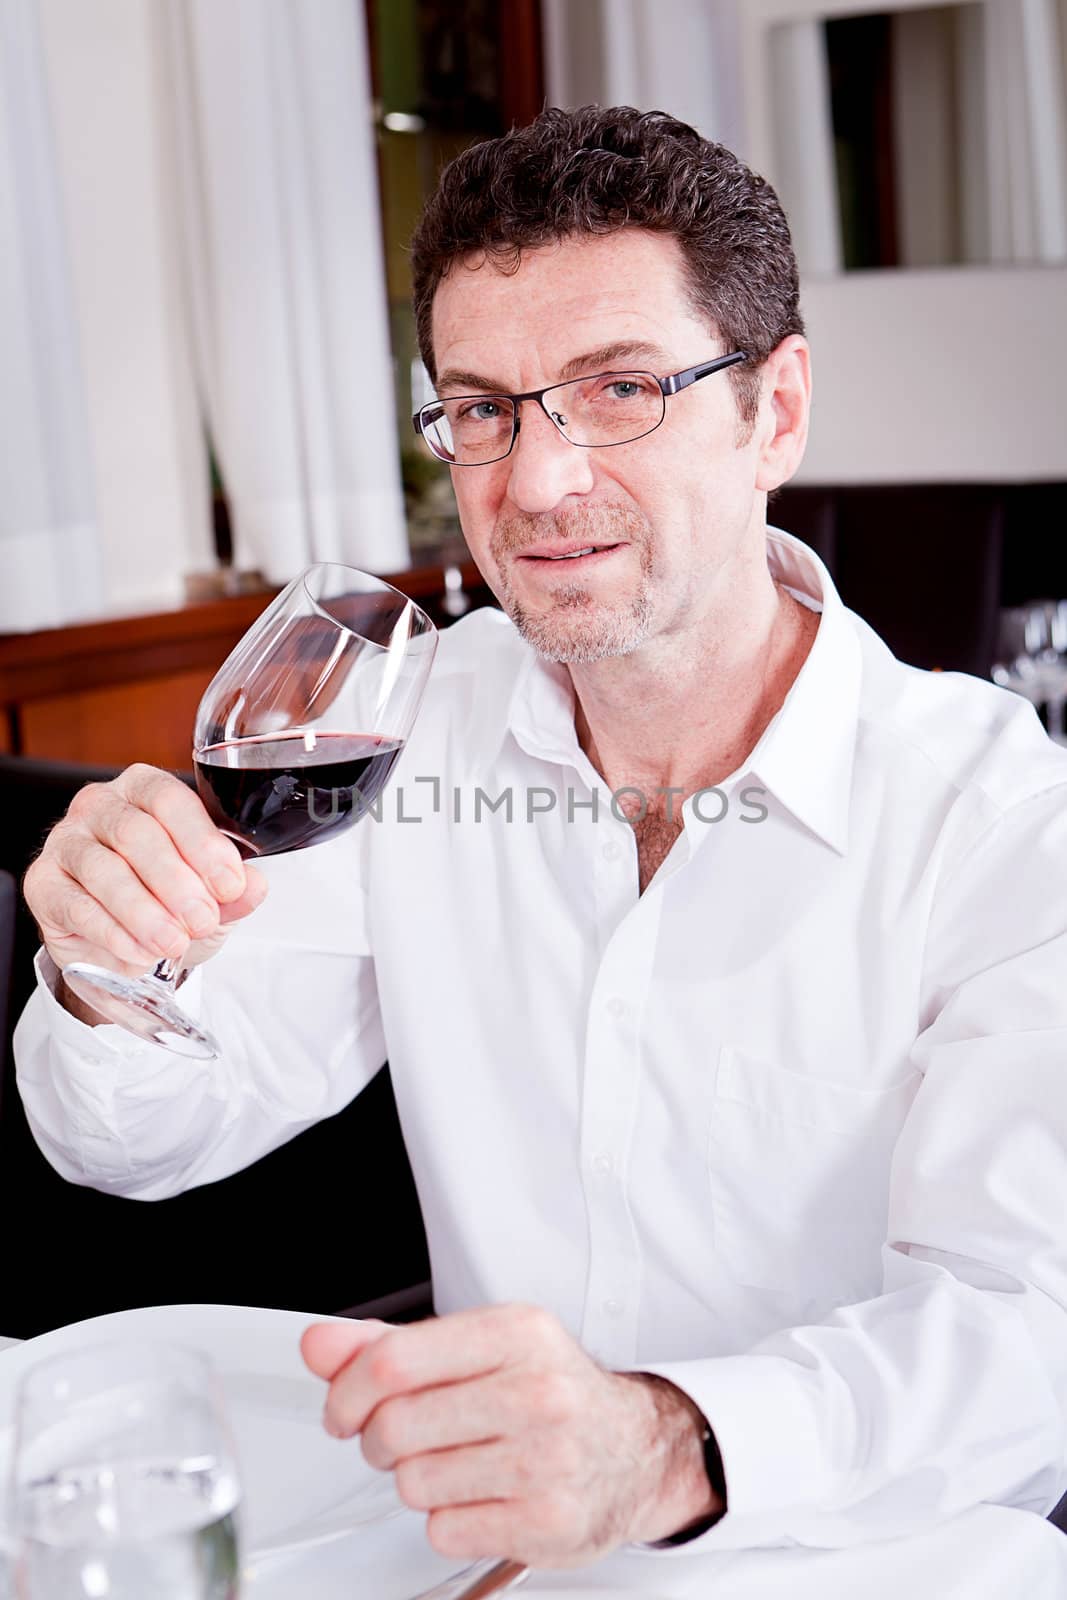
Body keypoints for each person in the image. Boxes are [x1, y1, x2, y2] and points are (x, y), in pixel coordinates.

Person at [14, 107, 1067, 1568]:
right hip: (495, 1548)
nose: (539, 481)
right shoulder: (401, 719)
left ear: (777, 412)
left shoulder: (1004, 816)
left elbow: (1027, 1329)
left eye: (619, 389)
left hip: (882, 1558)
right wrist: (102, 963)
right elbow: (131, 1140)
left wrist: (672, 1443)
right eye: (484, 409)